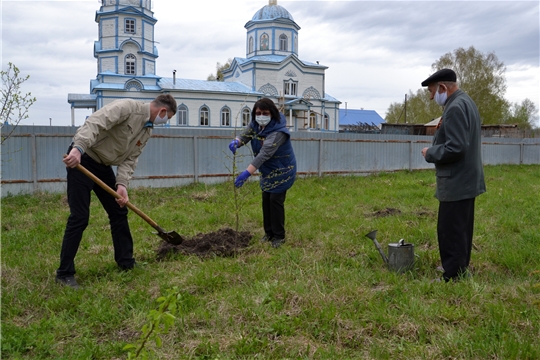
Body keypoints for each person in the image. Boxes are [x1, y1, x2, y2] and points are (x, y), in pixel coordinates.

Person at [56, 94, 177, 289]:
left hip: (103, 167)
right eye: (168, 118)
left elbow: (130, 159)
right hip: (82, 160)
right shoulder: (127, 108)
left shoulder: (147, 131)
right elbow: (96, 123)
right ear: (162, 111)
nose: (165, 121)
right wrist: (78, 148)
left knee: (119, 211)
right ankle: (64, 274)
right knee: (80, 217)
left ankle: (125, 262)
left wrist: (121, 185)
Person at [420, 68, 486, 282]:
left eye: (432, 91)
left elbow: (456, 147)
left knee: (450, 230)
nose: (431, 97)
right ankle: (457, 268)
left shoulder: (456, 107)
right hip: (466, 178)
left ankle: (452, 276)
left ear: (443, 87)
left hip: (457, 180)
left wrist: (430, 153)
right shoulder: (466, 102)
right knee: (461, 228)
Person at [228, 98, 297, 248]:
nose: (261, 116)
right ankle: (269, 233)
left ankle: (279, 236)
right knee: (266, 199)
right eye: (258, 113)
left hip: (283, 170)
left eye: (265, 113)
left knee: (275, 201)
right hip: (268, 171)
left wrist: (246, 173)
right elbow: (246, 134)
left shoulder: (278, 132)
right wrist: (237, 141)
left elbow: (264, 154)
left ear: (272, 113)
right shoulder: (256, 125)